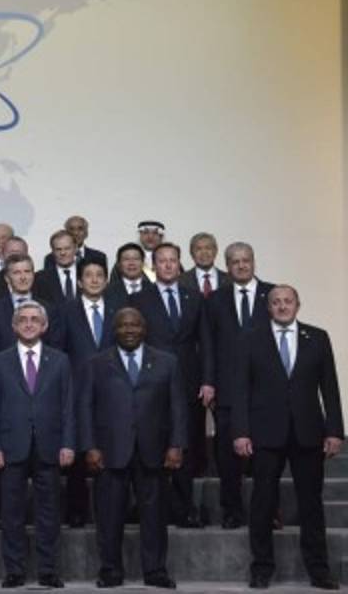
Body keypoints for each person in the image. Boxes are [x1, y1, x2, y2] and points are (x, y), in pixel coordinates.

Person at [232, 285, 343, 590]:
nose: (282, 306)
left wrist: (335, 430)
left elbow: (330, 387)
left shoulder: (317, 337)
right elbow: (240, 389)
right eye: (276, 302)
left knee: (311, 504)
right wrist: (240, 431)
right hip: (265, 432)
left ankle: (319, 571)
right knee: (263, 502)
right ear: (268, 307)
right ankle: (261, 569)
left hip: (308, 432)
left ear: (298, 305)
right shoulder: (250, 338)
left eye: (288, 301)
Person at [79, 307, 184, 589]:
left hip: (154, 450)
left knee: (155, 517)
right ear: (114, 330)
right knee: (109, 517)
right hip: (110, 451)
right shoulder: (96, 363)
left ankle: (155, 571)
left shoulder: (167, 362)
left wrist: (176, 444)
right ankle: (110, 571)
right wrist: (89, 446)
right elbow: (85, 407)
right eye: (123, 325)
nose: (129, 330)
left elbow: (177, 407)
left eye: (134, 325)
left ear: (144, 329)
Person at [0, 301, 74, 589]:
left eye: (35, 319)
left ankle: (48, 570)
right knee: (11, 513)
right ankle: (14, 570)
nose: (28, 324)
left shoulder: (60, 360)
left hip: (50, 446)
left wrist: (68, 443)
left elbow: (68, 407)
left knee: (49, 513)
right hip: (11, 446)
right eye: (22, 319)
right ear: (13, 326)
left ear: (44, 326)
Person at [129, 242, 207, 528]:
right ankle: (152, 508)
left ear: (179, 264)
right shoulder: (139, 299)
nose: (168, 265)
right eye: (162, 260)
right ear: (154, 265)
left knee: (185, 445)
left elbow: (206, 341)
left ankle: (185, 507)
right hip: (151, 383)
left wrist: (208, 380)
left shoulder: (194, 297)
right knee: (152, 445)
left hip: (188, 381)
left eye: (172, 260)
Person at [203, 242, 273, 529]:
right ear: (227, 266)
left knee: (267, 456)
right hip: (228, 388)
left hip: (267, 389)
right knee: (227, 455)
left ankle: (269, 512)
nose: (242, 265)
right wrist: (208, 381)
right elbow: (208, 345)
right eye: (235, 261)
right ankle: (231, 510)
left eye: (246, 260)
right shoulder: (215, 299)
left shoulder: (273, 294)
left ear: (254, 262)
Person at [58, 259, 118, 528]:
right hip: (76, 390)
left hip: (112, 392)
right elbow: (58, 351)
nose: (94, 280)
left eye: (99, 275)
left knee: (111, 451)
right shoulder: (65, 311)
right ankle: (76, 510)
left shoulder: (119, 310)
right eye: (89, 275)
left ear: (106, 281)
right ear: (80, 282)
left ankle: (111, 511)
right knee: (79, 450)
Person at [41, 215, 106, 273]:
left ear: (86, 233)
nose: (75, 233)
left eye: (80, 229)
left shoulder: (99, 257)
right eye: (71, 229)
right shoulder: (51, 258)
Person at [33, 230, 81, 305]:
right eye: (58, 249)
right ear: (52, 251)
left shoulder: (86, 273)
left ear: (75, 248)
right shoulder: (40, 278)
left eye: (67, 248)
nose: (63, 253)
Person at [179, 232, 228, 297]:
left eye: (208, 248)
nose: (204, 252)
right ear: (191, 253)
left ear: (215, 251)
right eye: (198, 249)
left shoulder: (229, 280)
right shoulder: (181, 281)